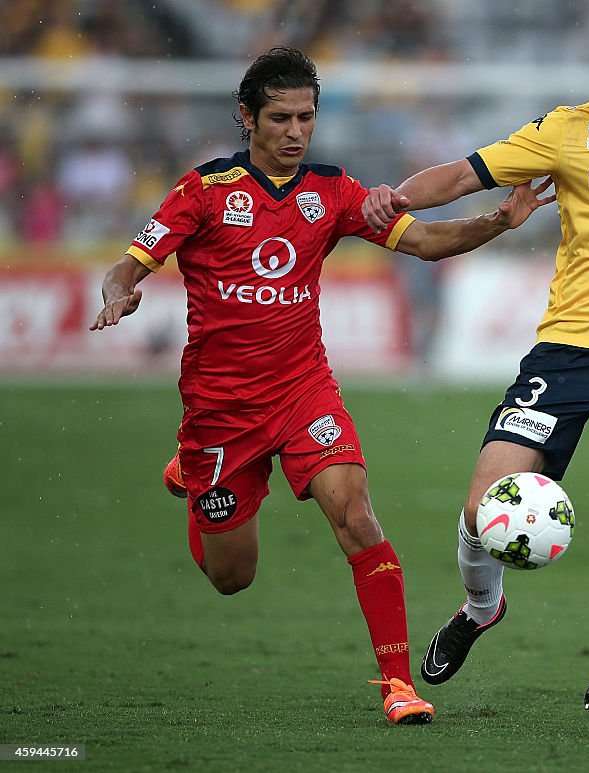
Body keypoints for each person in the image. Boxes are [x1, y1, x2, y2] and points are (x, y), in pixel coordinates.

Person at [89, 47, 551, 725]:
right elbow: (127, 267)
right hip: (220, 413)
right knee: (231, 577)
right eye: (281, 117)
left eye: (306, 116)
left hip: (305, 391)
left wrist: (496, 222)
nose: (296, 130)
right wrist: (120, 294)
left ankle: (398, 684)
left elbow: (422, 241)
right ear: (247, 117)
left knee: (357, 515)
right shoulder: (205, 190)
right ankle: (194, 475)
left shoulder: (331, 191)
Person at [362, 5, 589, 717]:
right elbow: (466, 175)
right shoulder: (567, 131)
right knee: (479, 509)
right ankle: (480, 606)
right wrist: (395, 196)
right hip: (568, 351)